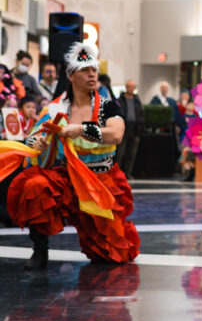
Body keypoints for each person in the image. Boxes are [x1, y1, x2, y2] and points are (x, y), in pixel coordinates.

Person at [3, 41, 140, 269]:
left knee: (112, 253)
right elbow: (33, 136)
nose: (91, 74)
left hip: (101, 180)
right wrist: (36, 142)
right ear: (71, 76)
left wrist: (81, 129)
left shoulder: (108, 106)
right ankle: (40, 249)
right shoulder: (55, 109)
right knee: (35, 185)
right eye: (85, 70)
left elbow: (116, 135)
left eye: (94, 70)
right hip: (67, 177)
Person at [117, 80, 144, 179]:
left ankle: (128, 173)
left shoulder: (137, 100)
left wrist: (140, 127)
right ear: (126, 87)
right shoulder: (120, 100)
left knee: (131, 154)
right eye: (129, 86)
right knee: (120, 153)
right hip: (124, 128)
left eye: (133, 86)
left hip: (135, 129)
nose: (131, 89)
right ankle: (118, 173)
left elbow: (141, 114)